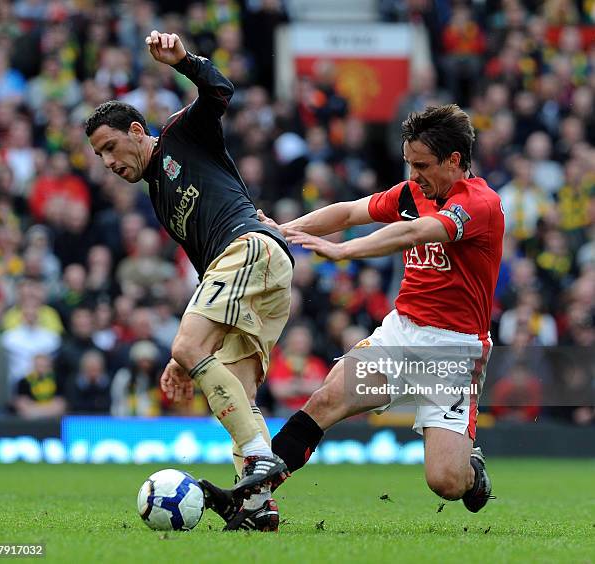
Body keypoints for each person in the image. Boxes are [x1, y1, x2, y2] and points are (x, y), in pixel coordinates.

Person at [205, 104, 504, 527]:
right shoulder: (412, 192)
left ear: (454, 162)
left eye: (421, 166)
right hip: (400, 334)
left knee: (445, 481)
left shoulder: (481, 204)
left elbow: (415, 231)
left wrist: (345, 250)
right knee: (326, 399)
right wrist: (284, 230)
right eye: (409, 164)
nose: (413, 175)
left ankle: (472, 473)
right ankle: (252, 500)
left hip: (453, 352)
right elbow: (347, 212)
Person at [85, 31, 294, 532]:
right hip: (251, 270)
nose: (110, 163)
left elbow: (220, 91)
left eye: (111, 147)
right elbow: (205, 266)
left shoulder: (181, 134)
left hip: (249, 248)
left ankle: (263, 459)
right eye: (100, 158)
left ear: (138, 131)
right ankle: (258, 508)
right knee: (236, 400)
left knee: (189, 346)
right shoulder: (158, 194)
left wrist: (183, 61)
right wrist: (190, 356)